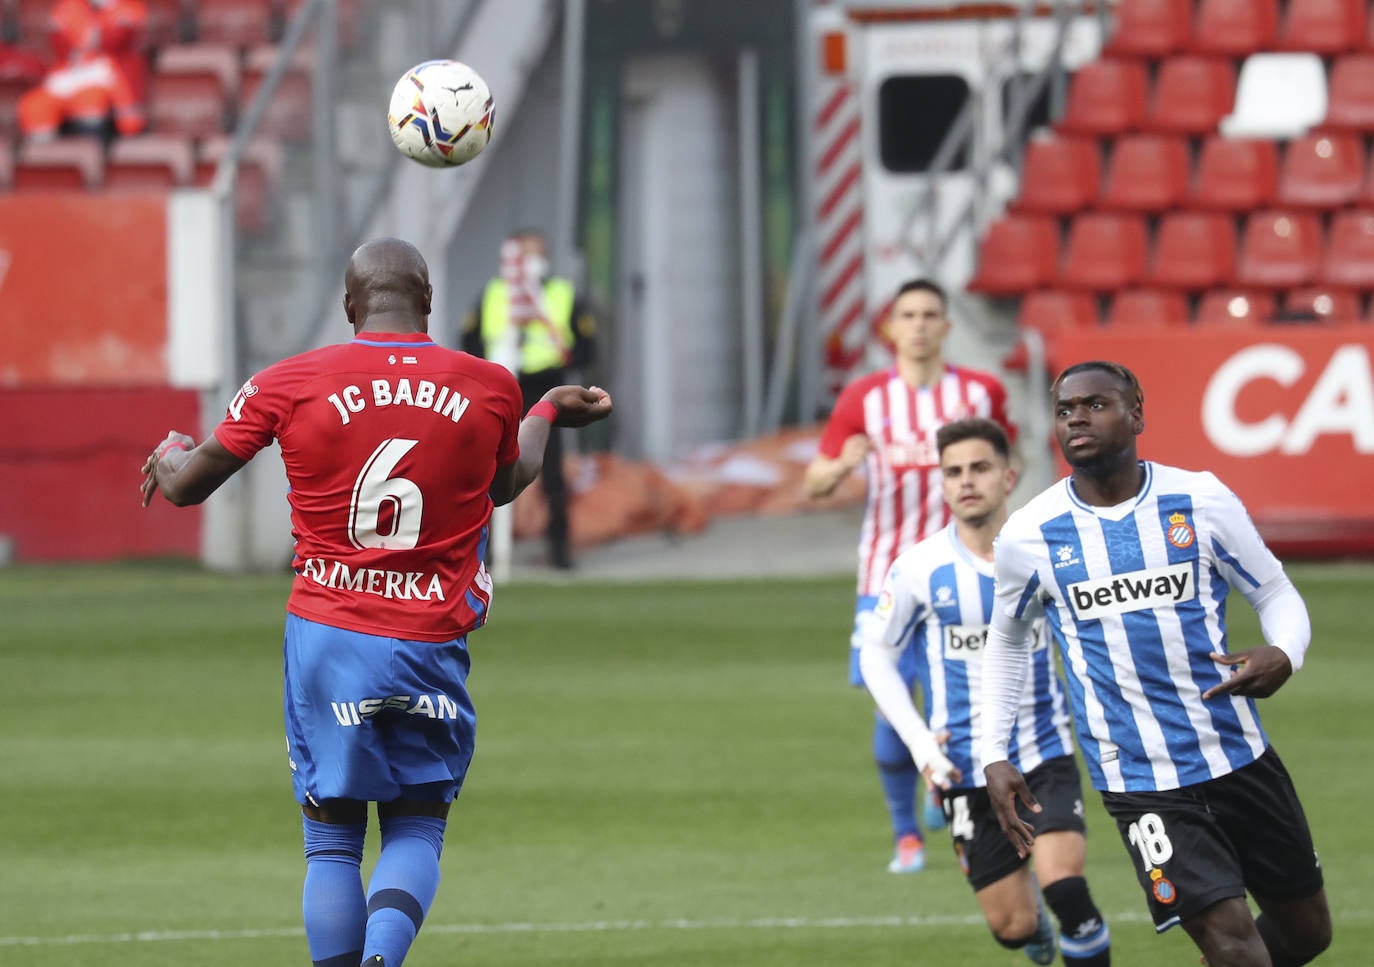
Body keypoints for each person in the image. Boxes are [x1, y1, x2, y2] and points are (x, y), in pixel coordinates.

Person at [139, 237, 612, 967]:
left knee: (331, 837)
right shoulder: (489, 386)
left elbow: (185, 486)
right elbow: (506, 481)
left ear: (348, 305)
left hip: (327, 637)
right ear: (427, 301)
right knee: (416, 825)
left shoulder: (287, 381)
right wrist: (545, 409)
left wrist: (170, 451)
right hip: (429, 638)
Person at [980, 361, 1331, 967]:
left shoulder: (1200, 499)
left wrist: (1284, 653)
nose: (1077, 419)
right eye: (1065, 410)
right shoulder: (1029, 534)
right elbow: (1007, 642)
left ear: (1137, 414)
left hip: (1238, 753)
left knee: (1307, 935)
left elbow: (1274, 592)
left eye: (1096, 404)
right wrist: (993, 750)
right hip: (1141, 781)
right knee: (1234, 946)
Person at [858, 418, 1111, 966]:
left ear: (1008, 476)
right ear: (943, 484)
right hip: (962, 768)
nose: (966, 481)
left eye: (979, 467)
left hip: (1043, 752)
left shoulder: (1048, 553)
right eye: (953, 472)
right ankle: (1031, 929)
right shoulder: (921, 568)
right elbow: (876, 654)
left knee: (1065, 886)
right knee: (1012, 927)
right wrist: (923, 747)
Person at [804, 277, 1016, 873]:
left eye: (930, 314)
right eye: (908, 315)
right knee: (890, 710)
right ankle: (906, 836)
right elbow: (814, 481)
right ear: (891, 328)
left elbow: (1010, 460)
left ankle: (967, 806)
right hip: (885, 578)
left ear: (947, 326)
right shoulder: (865, 399)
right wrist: (840, 467)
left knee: (977, 699)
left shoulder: (981, 392)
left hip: (968, 572)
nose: (919, 325)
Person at [462, 229, 597, 570]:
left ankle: (560, 550)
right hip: (500, 388)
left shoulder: (563, 295)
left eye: (535, 255)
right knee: (488, 470)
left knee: (552, 473)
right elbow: (471, 339)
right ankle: (485, 551)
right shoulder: (494, 293)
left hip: (545, 387)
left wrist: (560, 367)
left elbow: (585, 347)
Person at [17, 0, 148, 141]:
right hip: (68, 74)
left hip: (109, 82)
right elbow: (61, 43)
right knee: (35, 107)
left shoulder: (128, 6)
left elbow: (118, 37)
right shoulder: (69, 7)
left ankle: (86, 156)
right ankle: (45, 159)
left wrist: (91, 35)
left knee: (89, 100)